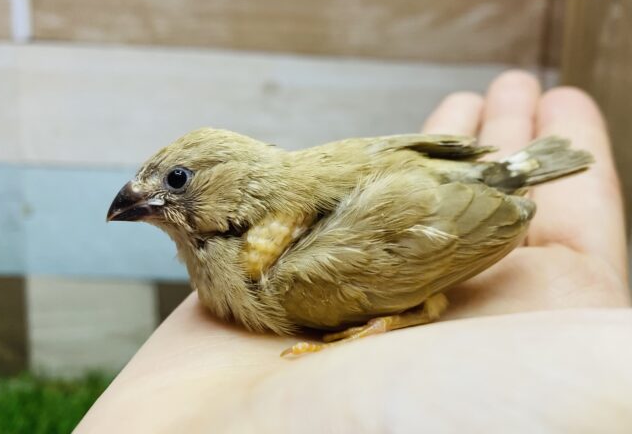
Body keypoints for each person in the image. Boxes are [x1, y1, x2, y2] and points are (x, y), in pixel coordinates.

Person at [76, 71, 632, 432]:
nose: (143, 199)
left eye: (177, 182)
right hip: (439, 190)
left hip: (454, 205)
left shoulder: (280, 281)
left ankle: (509, 175)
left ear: (234, 180)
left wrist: (383, 322)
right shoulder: (249, 239)